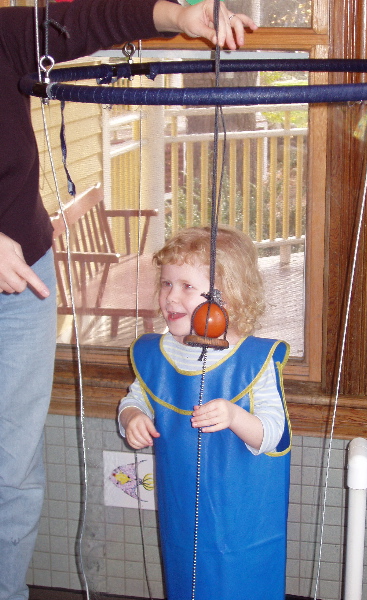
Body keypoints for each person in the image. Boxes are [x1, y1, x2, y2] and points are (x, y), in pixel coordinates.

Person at [0, 2, 257, 600]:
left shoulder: (5, 35)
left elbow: (87, 19)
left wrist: (178, 16)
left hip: (25, 281)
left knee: (12, 474)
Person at [119, 226, 291, 600]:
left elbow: (274, 435)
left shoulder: (253, 359)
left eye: (186, 286)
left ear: (228, 297)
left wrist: (234, 416)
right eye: (166, 284)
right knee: (185, 581)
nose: (171, 297)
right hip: (180, 509)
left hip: (242, 515)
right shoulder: (155, 353)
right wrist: (131, 417)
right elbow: (135, 398)